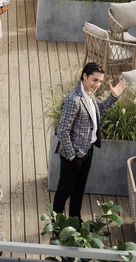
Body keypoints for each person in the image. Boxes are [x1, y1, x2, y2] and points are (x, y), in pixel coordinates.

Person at [52, 61, 125, 218]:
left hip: (87, 152)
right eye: (94, 80)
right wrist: (72, 156)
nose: (97, 84)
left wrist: (113, 97)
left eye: (100, 81)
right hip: (74, 156)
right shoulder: (74, 99)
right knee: (64, 192)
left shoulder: (89, 95)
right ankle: (56, 225)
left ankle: (75, 223)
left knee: (79, 191)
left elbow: (98, 111)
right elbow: (63, 131)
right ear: (84, 76)